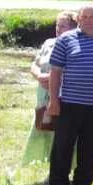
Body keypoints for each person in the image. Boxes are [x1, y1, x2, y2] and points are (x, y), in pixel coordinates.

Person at [47, 5, 93, 185]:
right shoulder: (65, 39)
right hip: (70, 103)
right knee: (63, 144)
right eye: (84, 16)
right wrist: (53, 100)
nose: (88, 20)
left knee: (92, 145)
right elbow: (55, 72)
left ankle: (83, 182)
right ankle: (58, 183)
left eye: (92, 17)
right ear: (79, 19)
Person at [23, 11, 77, 165]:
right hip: (43, 93)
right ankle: (49, 164)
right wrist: (39, 75)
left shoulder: (74, 46)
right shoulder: (49, 43)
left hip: (63, 94)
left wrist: (54, 79)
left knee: (61, 132)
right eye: (57, 25)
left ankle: (64, 167)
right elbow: (35, 63)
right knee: (43, 126)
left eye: (63, 26)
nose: (58, 29)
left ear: (73, 28)